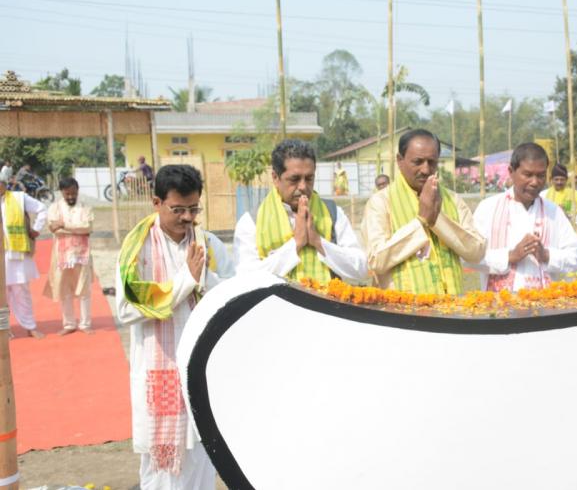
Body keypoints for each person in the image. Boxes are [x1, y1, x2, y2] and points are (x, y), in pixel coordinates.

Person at [115, 164, 235, 490]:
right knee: (162, 464)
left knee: (201, 455)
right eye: (177, 209)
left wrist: (203, 278)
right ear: (156, 203)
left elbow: (229, 294)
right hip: (160, 370)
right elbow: (126, 309)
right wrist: (185, 281)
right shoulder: (136, 248)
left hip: (201, 366)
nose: (187, 218)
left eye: (193, 209)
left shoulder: (209, 244)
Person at [362, 128, 485, 294]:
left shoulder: (452, 200)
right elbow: (376, 260)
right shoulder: (381, 202)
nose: (426, 170)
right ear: (400, 160)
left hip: (451, 310)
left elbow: (476, 252)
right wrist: (421, 222)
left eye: (432, 162)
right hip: (403, 314)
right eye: (417, 161)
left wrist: (436, 220)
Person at [233, 139, 367, 284]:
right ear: (275, 178)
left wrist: (318, 242)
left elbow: (361, 269)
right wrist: (296, 243)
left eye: (309, 178)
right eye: (294, 179)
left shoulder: (333, 214)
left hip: (326, 306)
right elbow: (245, 281)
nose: (303, 186)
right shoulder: (252, 222)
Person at [471, 143, 577, 291]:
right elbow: (470, 257)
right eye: (528, 175)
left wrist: (546, 255)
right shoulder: (488, 208)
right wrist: (510, 256)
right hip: (499, 307)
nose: (535, 182)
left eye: (541, 175)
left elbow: (575, 257)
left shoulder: (553, 211)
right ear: (511, 171)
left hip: (545, 306)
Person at [44, 177, 95, 335]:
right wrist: (74, 229)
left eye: (74, 193)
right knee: (65, 289)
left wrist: (64, 225)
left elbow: (87, 228)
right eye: (67, 194)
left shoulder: (86, 207)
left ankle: (85, 324)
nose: (71, 197)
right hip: (62, 255)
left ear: (77, 191)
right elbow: (53, 229)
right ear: (62, 193)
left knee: (84, 289)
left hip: (82, 254)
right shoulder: (54, 208)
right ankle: (69, 324)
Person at [0, 176, 47, 339]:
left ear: (5, 184)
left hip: (17, 254)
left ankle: (30, 326)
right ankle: (4, 330)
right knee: (1, 294)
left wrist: (36, 229)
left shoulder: (19, 198)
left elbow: (42, 208)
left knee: (22, 292)